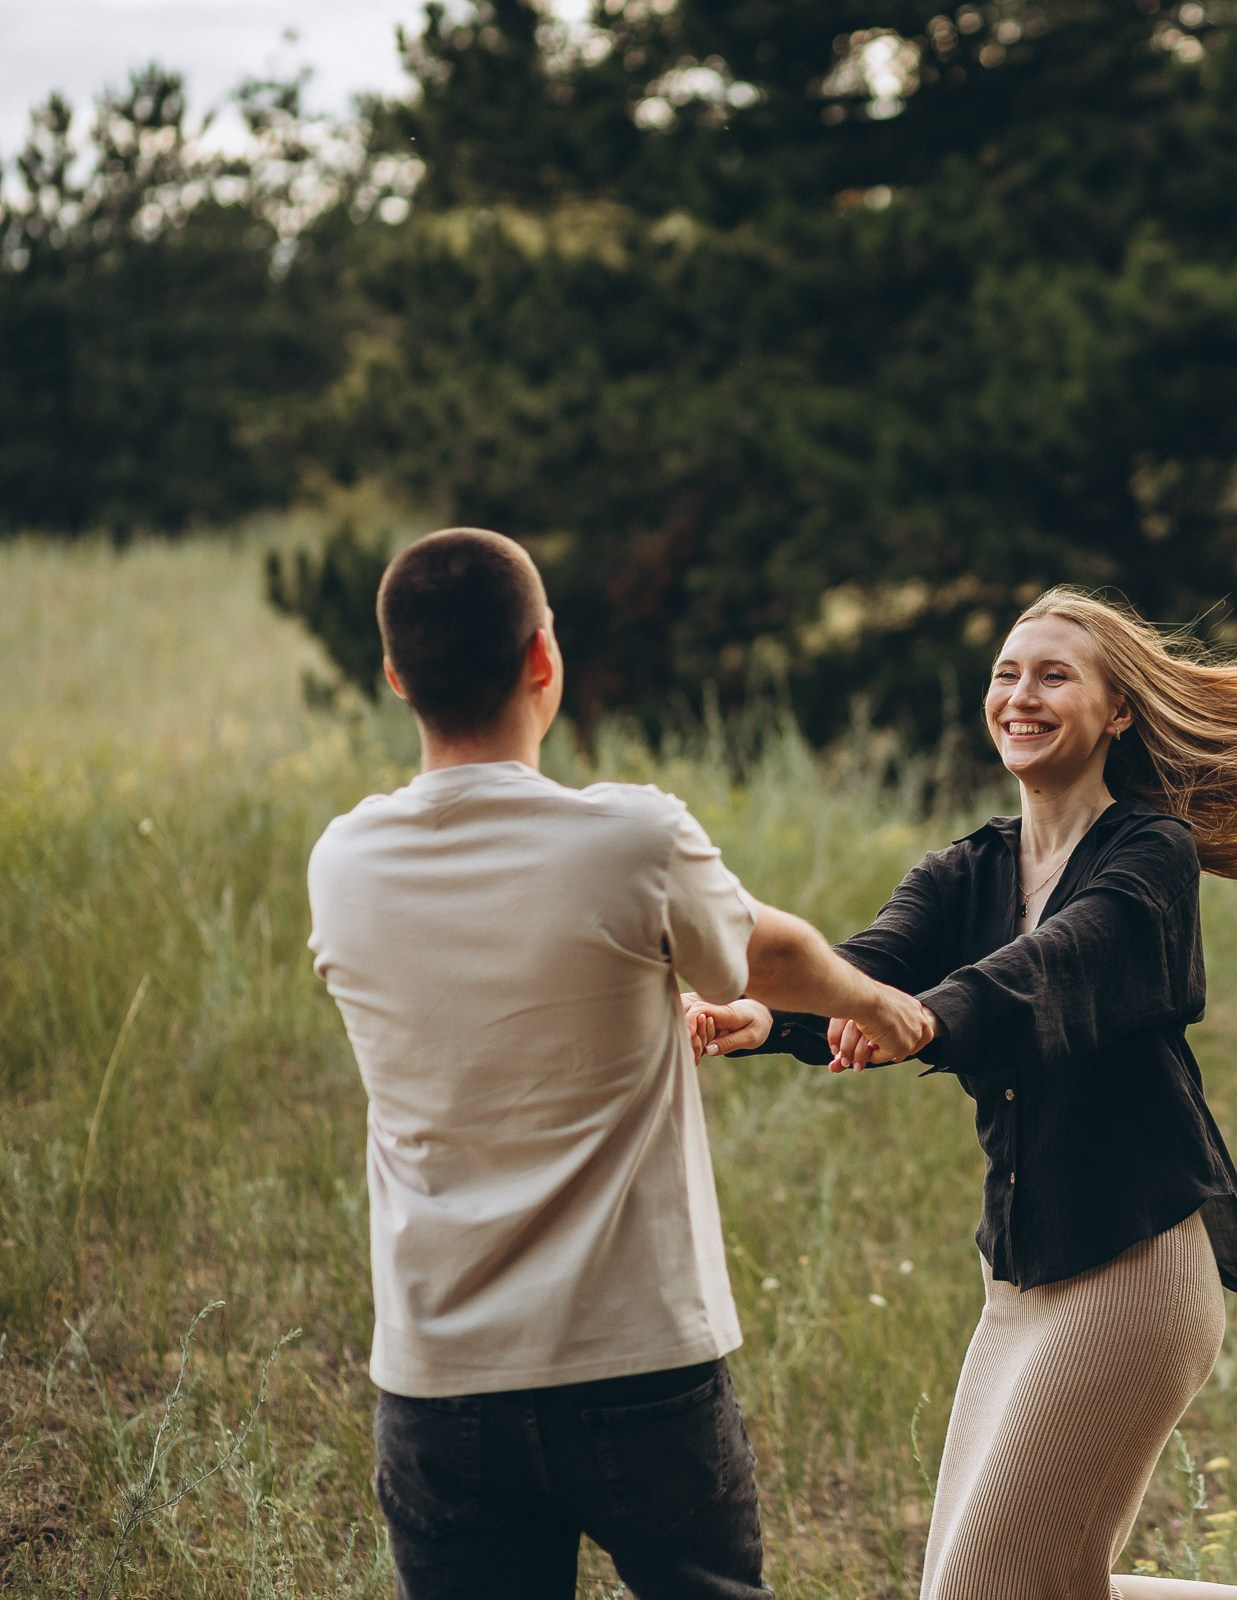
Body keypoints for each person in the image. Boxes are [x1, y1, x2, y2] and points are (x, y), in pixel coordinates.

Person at [685, 587, 1237, 1600]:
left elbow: (1056, 968)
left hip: (1134, 1274)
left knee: (988, 1591)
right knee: (997, 1588)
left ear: (1119, 711)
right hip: (1018, 1279)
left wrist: (927, 1018)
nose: (1020, 695)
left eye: (1054, 676)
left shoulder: (1149, 855)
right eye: (1007, 673)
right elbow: (866, 966)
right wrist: (763, 1016)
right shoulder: (963, 871)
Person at [307, 528, 933, 1600]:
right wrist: (877, 1001)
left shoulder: (344, 861)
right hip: (639, 1362)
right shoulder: (632, 838)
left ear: (395, 676)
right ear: (543, 658)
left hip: (441, 1376)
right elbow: (761, 952)